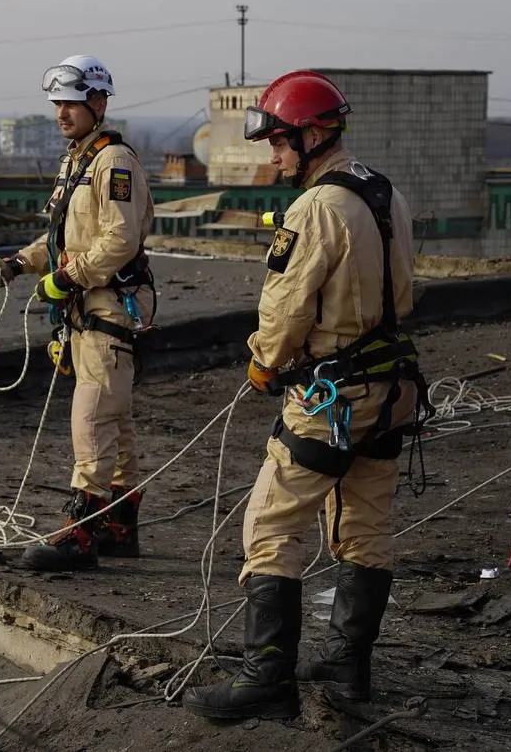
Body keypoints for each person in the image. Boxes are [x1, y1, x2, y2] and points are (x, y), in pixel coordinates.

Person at [182, 70, 433, 721]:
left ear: (313, 134)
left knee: (269, 524)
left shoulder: (316, 207)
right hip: (392, 389)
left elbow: (286, 307)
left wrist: (264, 363)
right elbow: (404, 293)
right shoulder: (384, 193)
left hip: (333, 396)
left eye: (280, 142)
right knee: (365, 527)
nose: (275, 156)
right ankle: (349, 670)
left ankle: (267, 678)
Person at [0, 54, 157, 572]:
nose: (61, 113)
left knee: (92, 415)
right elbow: (63, 239)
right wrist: (15, 264)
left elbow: (119, 239)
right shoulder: (80, 161)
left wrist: (68, 278)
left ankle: (81, 532)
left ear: (98, 103)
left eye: (72, 103)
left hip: (107, 307)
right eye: (57, 104)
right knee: (114, 418)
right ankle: (119, 525)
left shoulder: (113, 162)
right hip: (88, 307)